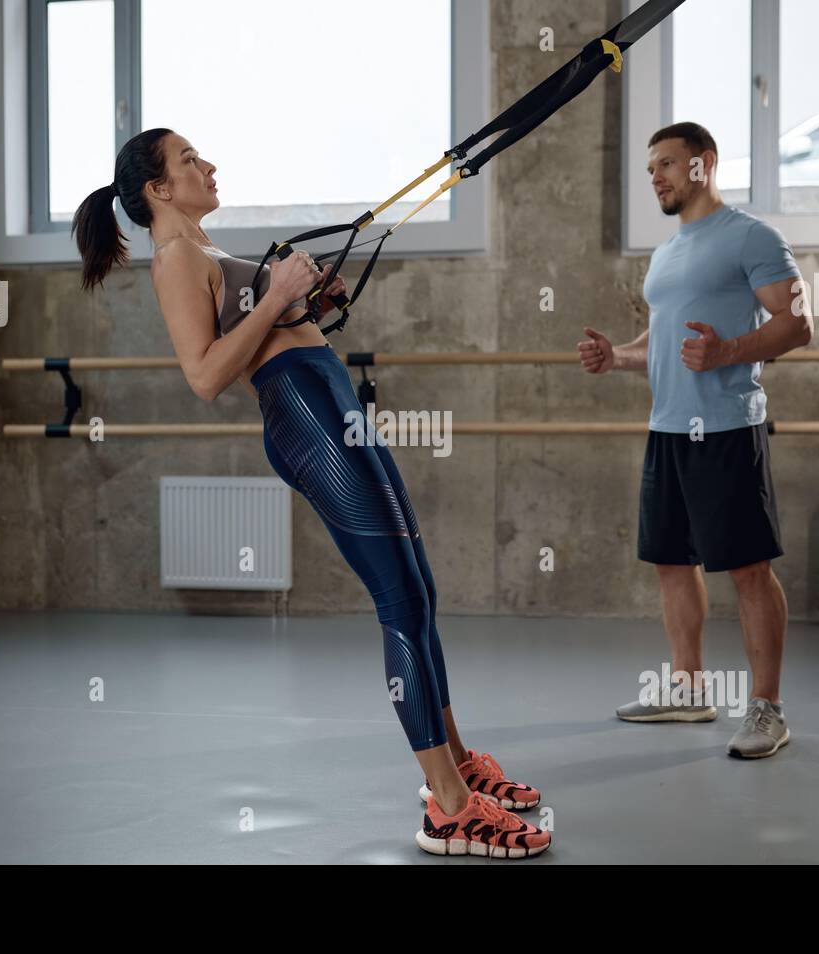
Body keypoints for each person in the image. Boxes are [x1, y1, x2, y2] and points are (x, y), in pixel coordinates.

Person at [73, 128, 549, 857]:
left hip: (329, 403)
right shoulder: (175, 260)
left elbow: (260, 331)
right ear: (157, 189)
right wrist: (280, 297)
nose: (210, 165)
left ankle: (456, 767)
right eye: (190, 160)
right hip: (304, 415)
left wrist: (301, 301)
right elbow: (203, 376)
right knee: (398, 599)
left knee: (417, 592)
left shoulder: (203, 251)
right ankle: (448, 809)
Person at [578, 122, 812, 758]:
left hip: (729, 428)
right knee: (672, 562)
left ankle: (768, 709)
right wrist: (615, 359)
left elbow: (798, 324)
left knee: (748, 569)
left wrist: (730, 350)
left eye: (667, 164)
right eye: (651, 167)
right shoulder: (668, 252)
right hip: (667, 429)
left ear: (704, 164)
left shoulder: (751, 236)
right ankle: (686, 689)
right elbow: (662, 342)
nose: (656, 176)